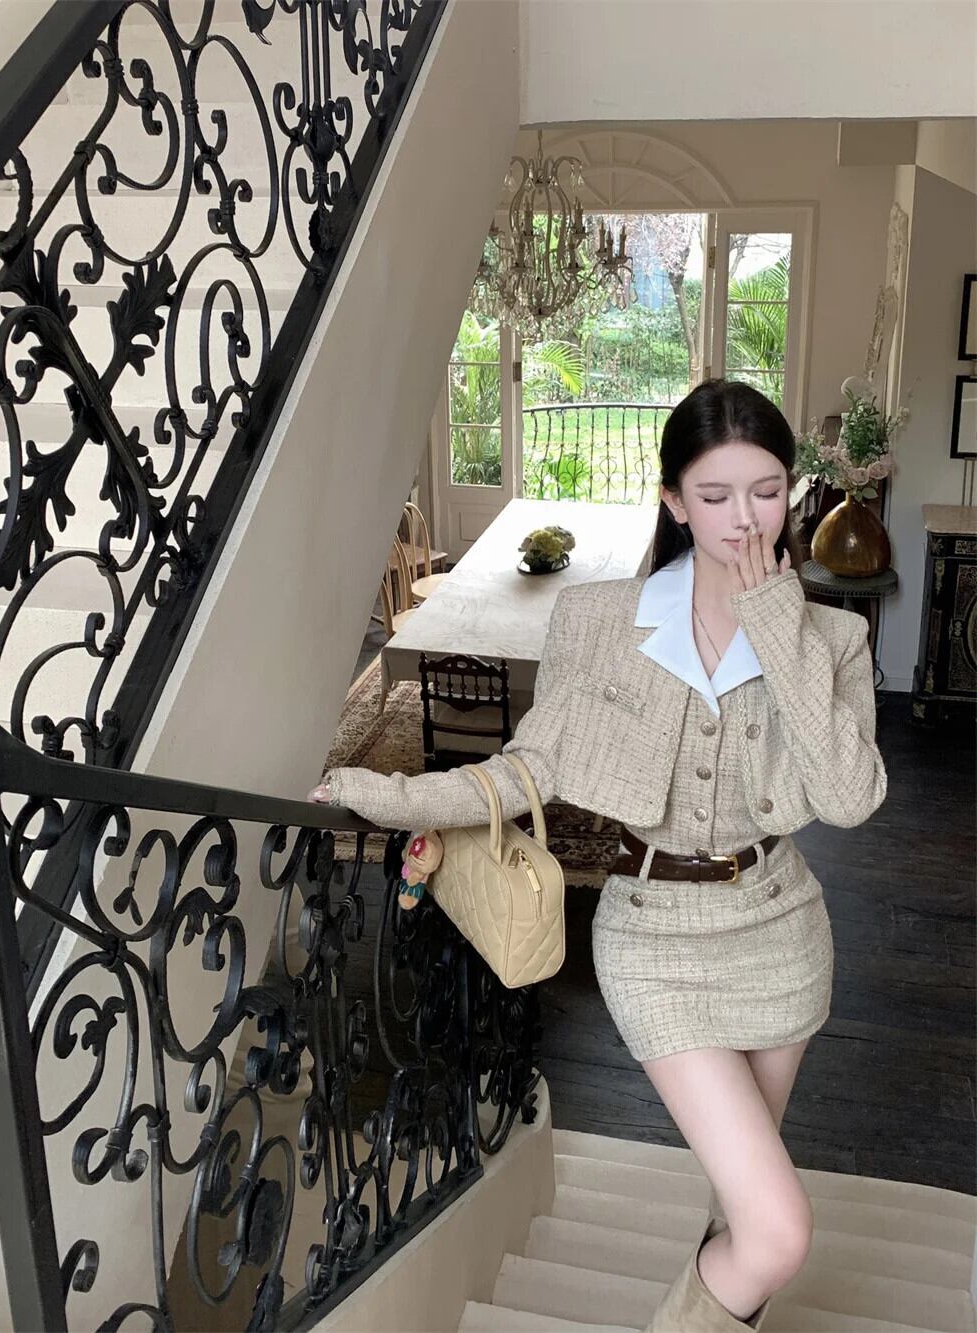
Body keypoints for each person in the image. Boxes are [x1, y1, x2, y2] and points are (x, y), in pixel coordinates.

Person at [309, 378, 887, 1331]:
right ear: (673, 501)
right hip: (654, 938)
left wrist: (779, 624)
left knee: (741, 1211)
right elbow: (528, 768)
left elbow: (851, 797)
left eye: (766, 491)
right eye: (715, 495)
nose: (745, 520)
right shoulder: (599, 622)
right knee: (778, 1230)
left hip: (780, 932)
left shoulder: (834, 638)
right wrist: (390, 796)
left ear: (791, 489)